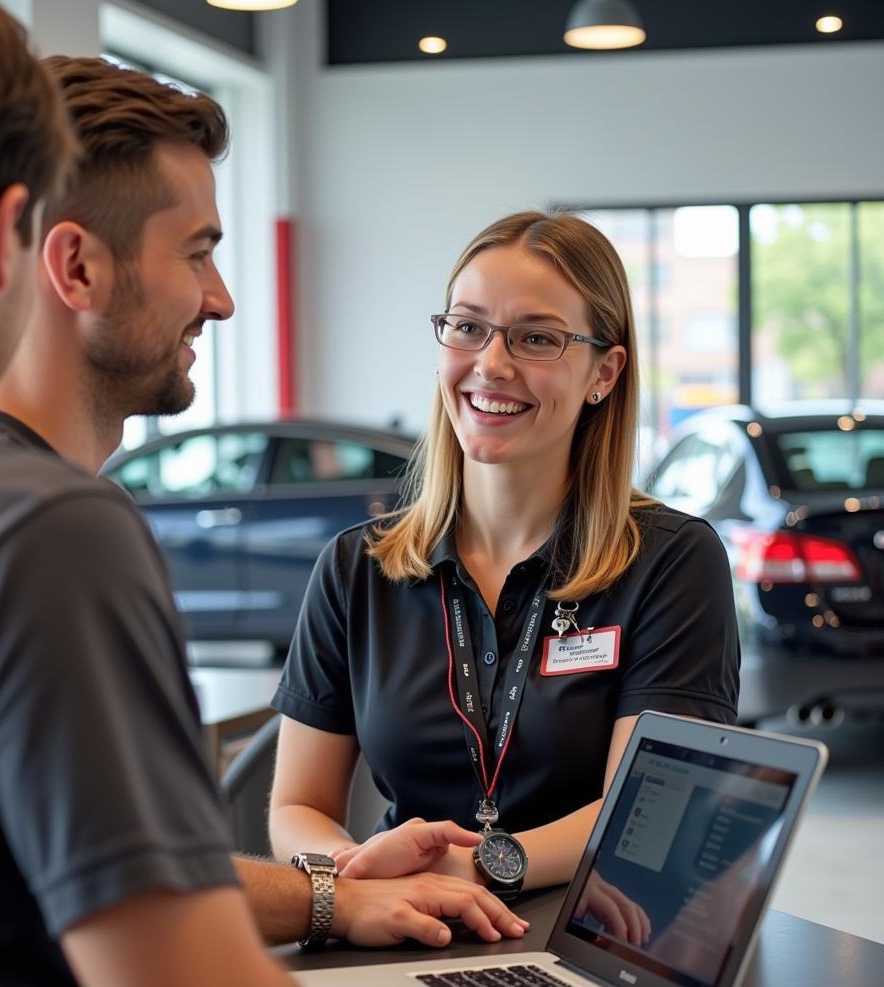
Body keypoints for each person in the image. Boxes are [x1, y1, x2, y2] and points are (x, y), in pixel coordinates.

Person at [0, 8, 515, 987]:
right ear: (47, 254)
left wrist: (334, 895)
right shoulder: (39, 532)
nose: (220, 300)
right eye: (198, 251)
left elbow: (36, 868)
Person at [268, 211, 740, 907]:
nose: (491, 363)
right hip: (401, 923)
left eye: (537, 338)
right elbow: (294, 806)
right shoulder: (356, 568)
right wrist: (358, 878)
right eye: (467, 327)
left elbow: (648, 813)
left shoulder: (671, 563)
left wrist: (474, 871)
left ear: (603, 374)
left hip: (585, 935)